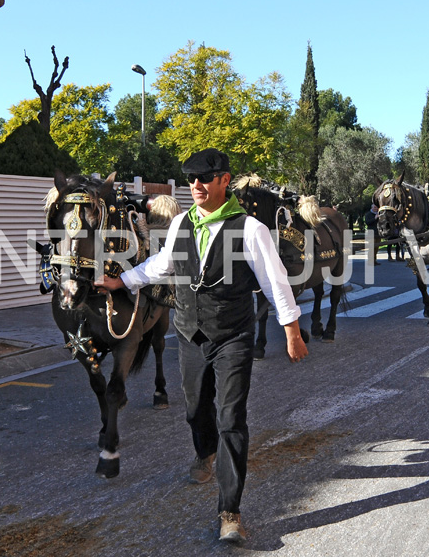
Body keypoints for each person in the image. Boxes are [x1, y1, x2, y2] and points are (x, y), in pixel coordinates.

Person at [95, 148, 308, 543]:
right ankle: (203, 451)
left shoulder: (250, 229)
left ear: (224, 181)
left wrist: (291, 330)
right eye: (191, 179)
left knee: (232, 420)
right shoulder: (180, 224)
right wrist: (121, 281)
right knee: (195, 411)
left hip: (233, 337)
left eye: (204, 179)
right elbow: (162, 264)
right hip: (190, 333)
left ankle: (230, 511)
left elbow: (275, 282)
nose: (196, 186)